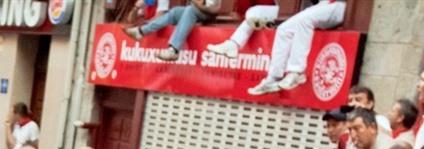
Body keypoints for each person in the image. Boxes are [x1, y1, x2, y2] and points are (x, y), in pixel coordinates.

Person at [214, 1, 348, 95]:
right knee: (284, 29)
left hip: (341, 5)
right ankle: (273, 78)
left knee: (304, 21)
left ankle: (296, 72)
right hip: (323, 5)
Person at [129, 0, 230, 62]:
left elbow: (211, 8)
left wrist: (194, 2)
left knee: (190, 10)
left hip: (208, 15)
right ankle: (141, 32)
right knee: (175, 11)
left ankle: (173, 50)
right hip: (195, 10)